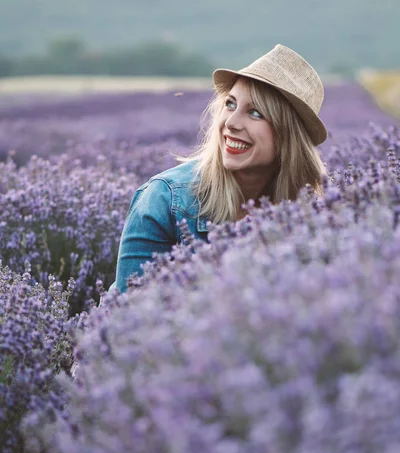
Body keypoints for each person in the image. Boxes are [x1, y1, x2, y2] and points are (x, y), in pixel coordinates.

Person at [114, 43, 328, 294]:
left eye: (256, 113)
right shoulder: (165, 200)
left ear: (288, 136)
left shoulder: (312, 214)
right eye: (230, 104)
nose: (232, 123)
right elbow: (130, 314)